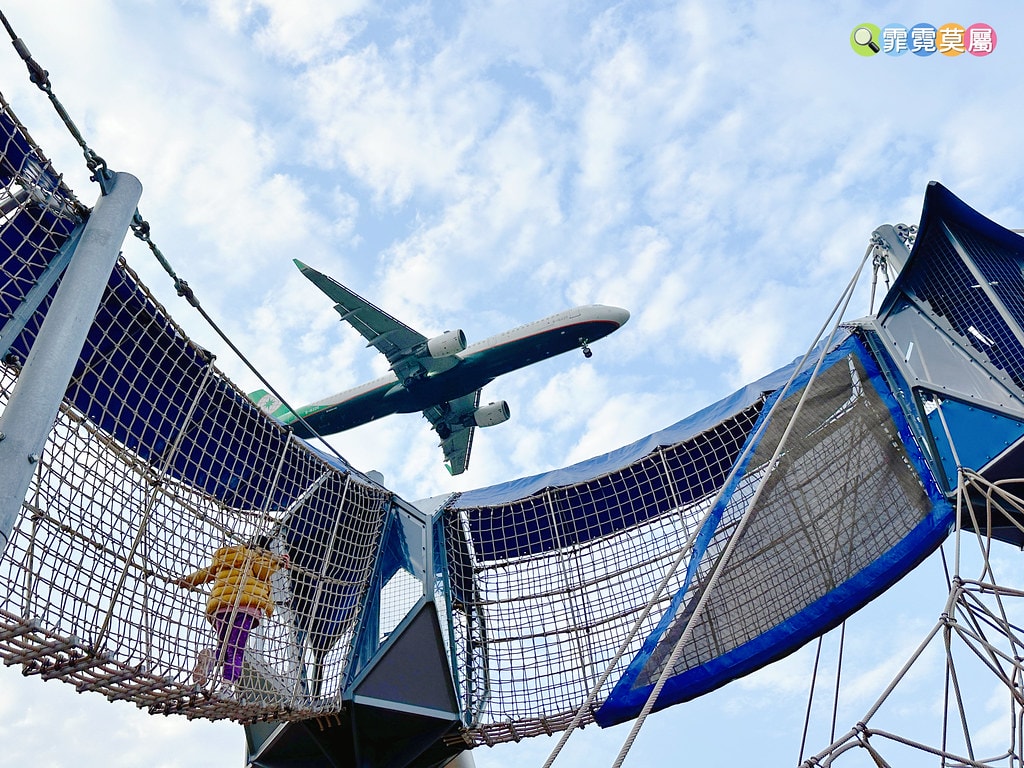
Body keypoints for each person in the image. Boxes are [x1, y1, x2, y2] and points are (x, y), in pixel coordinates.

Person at [177, 535, 289, 685]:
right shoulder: (259, 556)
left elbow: (206, 573)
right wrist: (277, 561)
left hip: (220, 607)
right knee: (236, 648)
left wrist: (187, 581)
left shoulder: (227, 556)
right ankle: (227, 684)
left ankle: (213, 657)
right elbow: (261, 570)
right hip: (245, 606)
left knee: (224, 647)